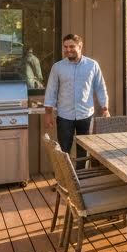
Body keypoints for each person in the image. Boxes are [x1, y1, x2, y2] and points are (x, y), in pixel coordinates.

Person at [42, 33, 109, 165]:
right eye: (65, 47)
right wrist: (48, 114)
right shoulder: (58, 67)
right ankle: (64, 181)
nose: (68, 50)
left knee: (84, 151)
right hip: (64, 116)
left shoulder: (92, 65)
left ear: (80, 46)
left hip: (86, 116)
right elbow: (51, 91)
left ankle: (81, 181)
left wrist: (105, 108)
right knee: (63, 151)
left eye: (71, 46)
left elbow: (100, 88)